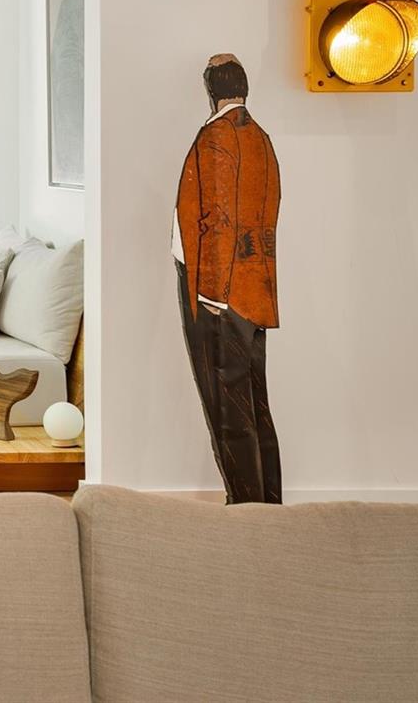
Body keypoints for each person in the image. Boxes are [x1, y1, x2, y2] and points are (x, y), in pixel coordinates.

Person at [172, 54, 282, 503]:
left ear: (210, 89)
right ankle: (267, 502)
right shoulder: (260, 137)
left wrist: (211, 294)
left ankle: (246, 506)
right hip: (256, 291)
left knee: (228, 408)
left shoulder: (217, 137)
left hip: (221, 293)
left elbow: (218, 221)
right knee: (254, 405)